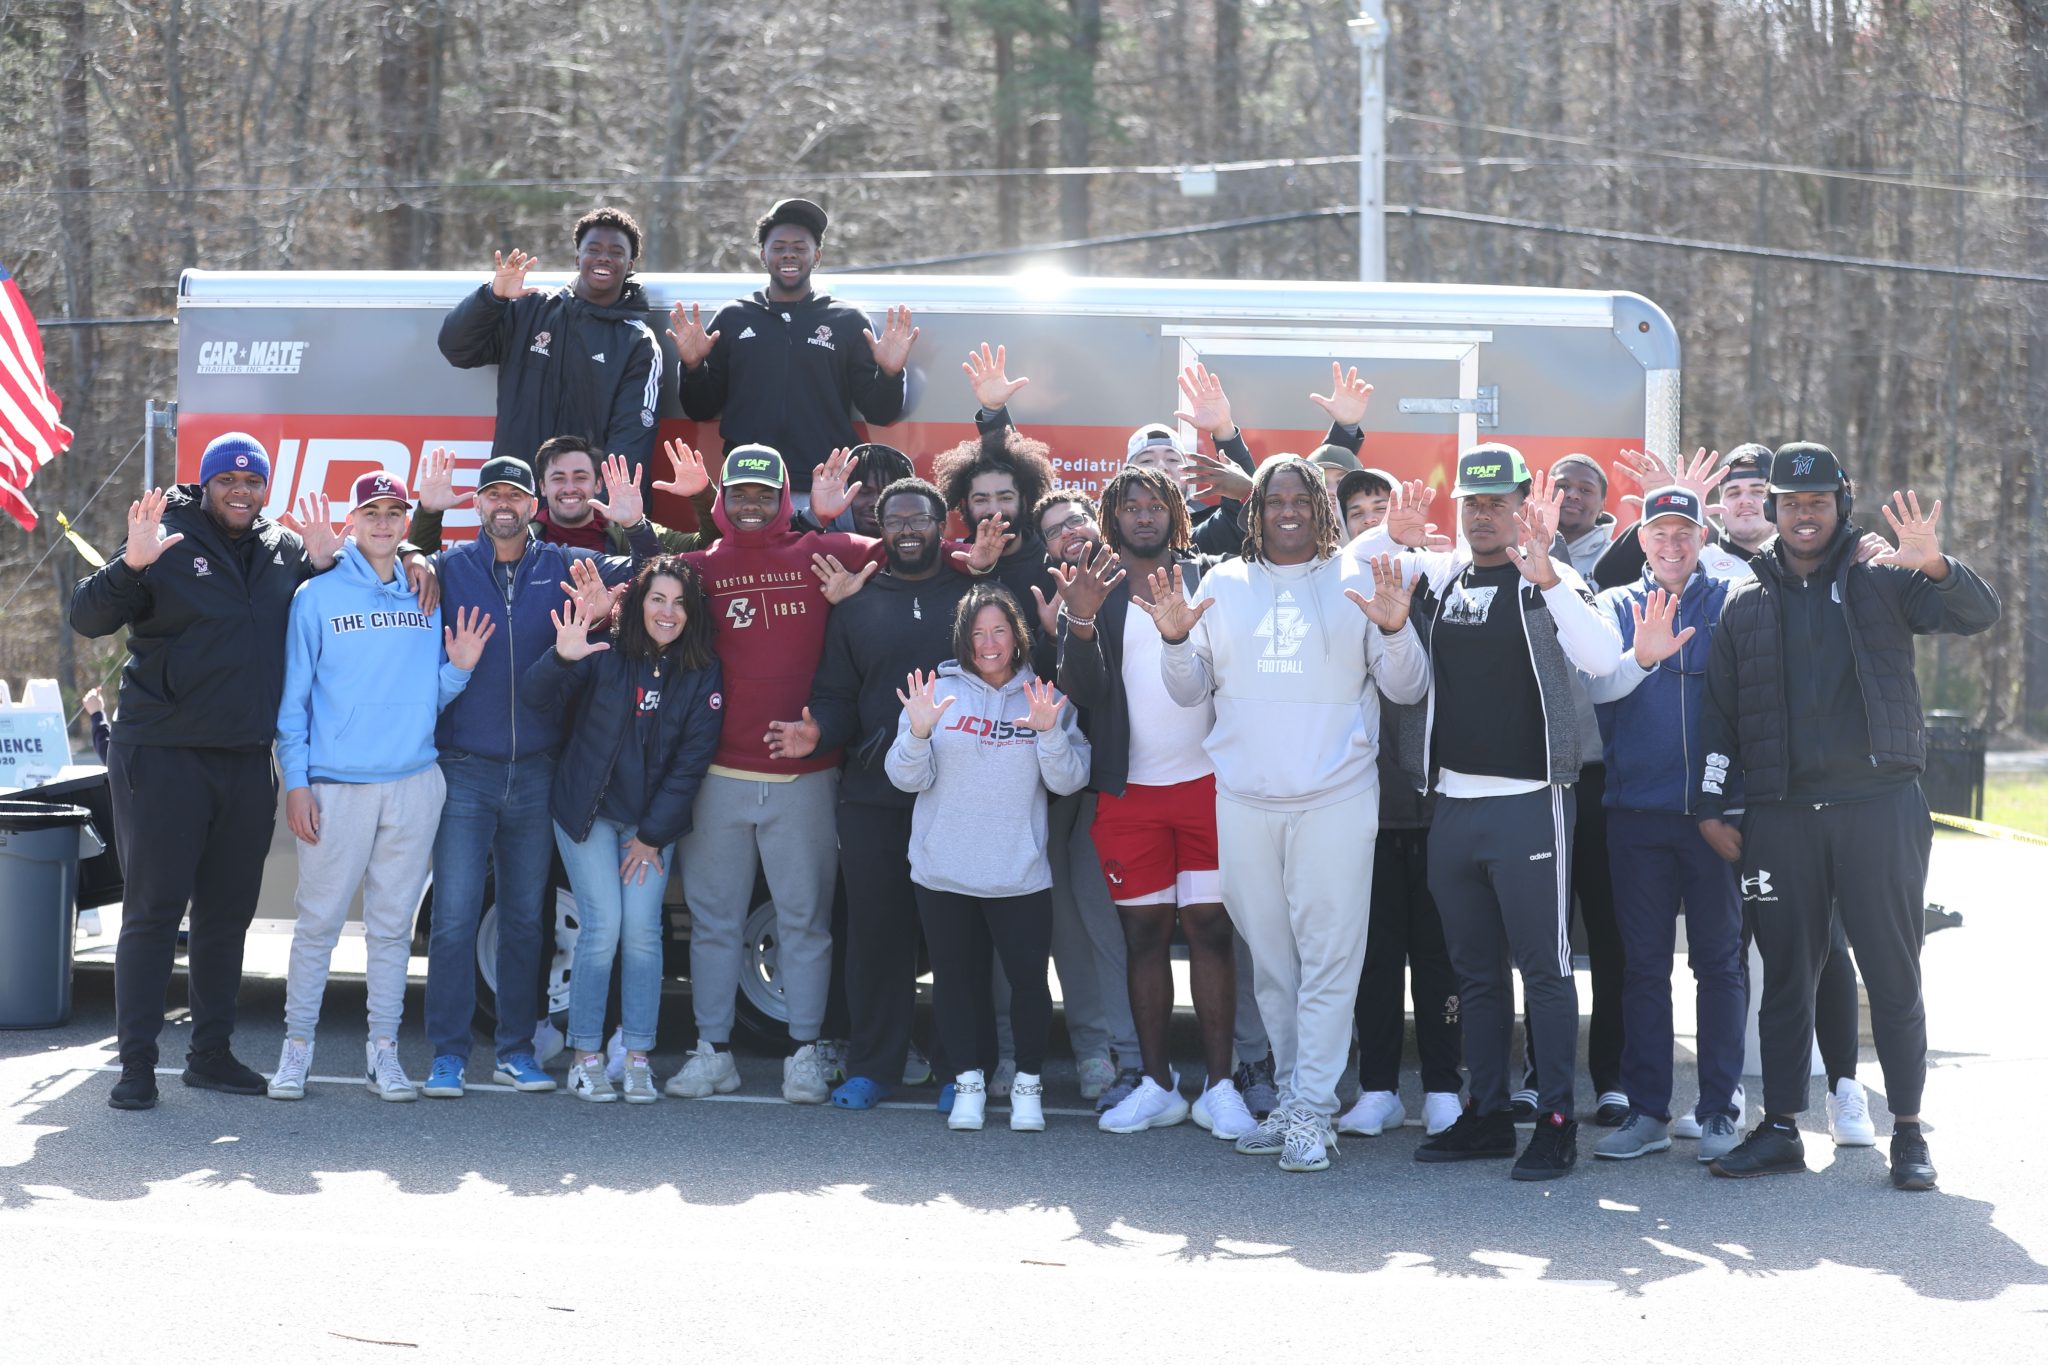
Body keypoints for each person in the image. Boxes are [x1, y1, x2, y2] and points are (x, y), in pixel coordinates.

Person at [1697, 444, 1999, 1190]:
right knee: (1787, 978)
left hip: (1879, 808)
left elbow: (1977, 613)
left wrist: (1934, 562)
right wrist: (1708, 804)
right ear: (1771, 509)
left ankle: (1907, 1132)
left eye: (1818, 502)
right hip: (1783, 816)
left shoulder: (1884, 576)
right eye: (1791, 502)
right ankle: (1780, 1130)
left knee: (1893, 972)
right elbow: (1719, 718)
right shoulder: (1745, 602)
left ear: (1841, 503)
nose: (1805, 514)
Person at [1152, 456, 1430, 1173]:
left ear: (1321, 508)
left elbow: (1407, 687)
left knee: (1331, 958)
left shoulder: (1355, 580)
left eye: (1301, 499)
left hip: (1335, 797)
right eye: (1274, 499)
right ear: (1255, 510)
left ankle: (1311, 1107)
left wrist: (1397, 631)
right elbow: (1187, 693)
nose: (1287, 511)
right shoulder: (1221, 583)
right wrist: (1177, 640)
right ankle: (1295, 1098)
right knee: (1274, 965)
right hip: (1244, 799)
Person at [1354, 449, 1625, 1181]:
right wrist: (1391, 626)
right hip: (1453, 804)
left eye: (1498, 502)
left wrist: (1552, 584)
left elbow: (1602, 658)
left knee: (1545, 969)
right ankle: (1487, 1114)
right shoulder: (1441, 577)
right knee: (1474, 973)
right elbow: (1409, 688)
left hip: (1532, 802)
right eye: (1472, 504)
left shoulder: (1551, 574)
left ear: (1522, 505)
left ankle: (1559, 1121)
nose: (1483, 514)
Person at [69, 432, 346, 1110]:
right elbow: (87, 616)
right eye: (230, 480)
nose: (242, 492)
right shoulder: (164, 539)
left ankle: (211, 1055)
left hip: (247, 758)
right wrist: (128, 567)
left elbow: (306, 618)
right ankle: (135, 1066)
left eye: (254, 483)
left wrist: (322, 564)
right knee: (154, 911)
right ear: (208, 481)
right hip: (162, 755)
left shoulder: (282, 549)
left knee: (227, 916)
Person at [419, 451, 656, 1100]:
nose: (504, 505)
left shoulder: (565, 567)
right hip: (463, 770)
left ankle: (516, 1049)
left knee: (526, 917)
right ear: (479, 505)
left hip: (538, 772)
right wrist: (424, 515)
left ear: (534, 507)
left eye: (515, 496)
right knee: (454, 917)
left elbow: (655, 575)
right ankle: (447, 1054)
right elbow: (391, 580)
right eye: (492, 494)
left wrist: (634, 527)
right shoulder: (448, 568)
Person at [666, 445, 886, 1104]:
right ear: (724, 499)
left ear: (783, 495)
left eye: (765, 494)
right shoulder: (701, 567)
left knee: (805, 921)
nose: (753, 504)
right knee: (713, 922)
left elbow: (919, 556)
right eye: (741, 493)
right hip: (719, 776)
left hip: (805, 776)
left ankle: (804, 1053)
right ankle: (713, 1051)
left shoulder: (823, 551)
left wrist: (983, 560)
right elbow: (635, 589)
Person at [269, 471, 492, 1103]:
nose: (386, 523)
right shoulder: (315, 596)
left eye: (396, 513)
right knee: (318, 927)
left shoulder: (427, 593)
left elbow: (431, 696)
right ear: (353, 521)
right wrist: (297, 783)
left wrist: (459, 671)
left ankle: (383, 1054)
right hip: (337, 788)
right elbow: (294, 704)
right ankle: (296, 1052)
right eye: (373, 513)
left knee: (393, 929)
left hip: (414, 783)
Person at [1054, 465, 1258, 1142]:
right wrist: (1078, 621)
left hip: (1209, 787)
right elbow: (1081, 691)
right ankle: (1157, 1083)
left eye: (1155, 505)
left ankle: (1222, 1085)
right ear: (1114, 519)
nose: (1145, 516)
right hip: (1128, 792)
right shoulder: (1098, 586)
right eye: (1131, 507)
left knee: (1210, 930)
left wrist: (1241, 472)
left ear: (1176, 511)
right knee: (1143, 935)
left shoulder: (1212, 578)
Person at [764, 477, 975, 1109]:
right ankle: (871, 1065)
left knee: (954, 939)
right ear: (880, 530)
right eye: (895, 520)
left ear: (943, 525)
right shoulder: (856, 605)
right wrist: (818, 730)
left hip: (960, 795)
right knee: (877, 936)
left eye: (920, 518)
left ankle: (957, 1070)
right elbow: (834, 695)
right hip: (873, 795)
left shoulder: (973, 597)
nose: (908, 529)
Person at [1576, 486, 1747, 1164]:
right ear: (1640, 540)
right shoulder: (1614, 606)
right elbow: (1589, 687)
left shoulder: (1733, 604)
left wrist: (1732, 803)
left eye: (1684, 532)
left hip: (1711, 820)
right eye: (1659, 533)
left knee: (1719, 965)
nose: (1672, 545)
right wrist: (1638, 653)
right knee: (1643, 968)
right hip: (1636, 817)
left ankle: (1719, 1112)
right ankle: (1648, 1111)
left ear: (1702, 537)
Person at [885, 586, 1093, 1132]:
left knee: (1028, 983)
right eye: (977, 633)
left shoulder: (1043, 696)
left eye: (999, 630)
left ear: (1017, 635)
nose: (989, 643)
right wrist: (920, 733)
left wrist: (1049, 733)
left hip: (1018, 872)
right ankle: (968, 1085)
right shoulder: (938, 693)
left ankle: (1027, 1086)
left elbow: (1071, 780)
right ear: (963, 639)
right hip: (943, 870)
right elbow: (906, 778)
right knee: (955, 983)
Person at [526, 558, 724, 1104]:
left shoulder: (702, 669)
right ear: (637, 604)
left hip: (648, 828)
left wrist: (653, 836)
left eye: (680, 602)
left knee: (642, 933)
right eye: (657, 599)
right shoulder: (603, 651)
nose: (668, 612)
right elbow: (536, 697)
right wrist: (560, 657)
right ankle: (586, 1058)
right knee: (604, 927)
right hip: (587, 813)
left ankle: (636, 1057)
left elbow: (691, 762)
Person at [1333, 468, 1464, 1141]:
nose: (1370, 522)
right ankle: (1378, 1087)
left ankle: (1444, 1085)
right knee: (1374, 954)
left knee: (1440, 951)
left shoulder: (1441, 576)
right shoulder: (1338, 582)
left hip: (1438, 801)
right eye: (1357, 512)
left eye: (1380, 508)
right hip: (1366, 805)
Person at [671, 197, 918, 500]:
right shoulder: (733, 317)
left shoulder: (847, 319)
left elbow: (881, 414)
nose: (789, 255)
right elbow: (700, 409)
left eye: (800, 248)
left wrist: (891, 374)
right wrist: (694, 367)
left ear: (817, 256)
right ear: (763, 255)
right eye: (779, 247)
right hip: (748, 485)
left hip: (823, 485)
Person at [439, 206, 661, 477]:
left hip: (581, 507)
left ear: (629, 265)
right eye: (593, 249)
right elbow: (457, 350)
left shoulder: (637, 342)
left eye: (616, 252)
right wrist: (492, 296)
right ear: (577, 257)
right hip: (518, 495)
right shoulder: (529, 309)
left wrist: (602, 512)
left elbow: (630, 443)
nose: (604, 258)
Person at [408, 436, 718, 557]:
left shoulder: (630, 532)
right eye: (558, 478)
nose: (569, 488)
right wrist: (430, 512)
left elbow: (709, 548)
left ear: (598, 484)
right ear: (541, 489)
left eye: (580, 477)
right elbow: (427, 574)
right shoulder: (515, 534)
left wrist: (702, 495)